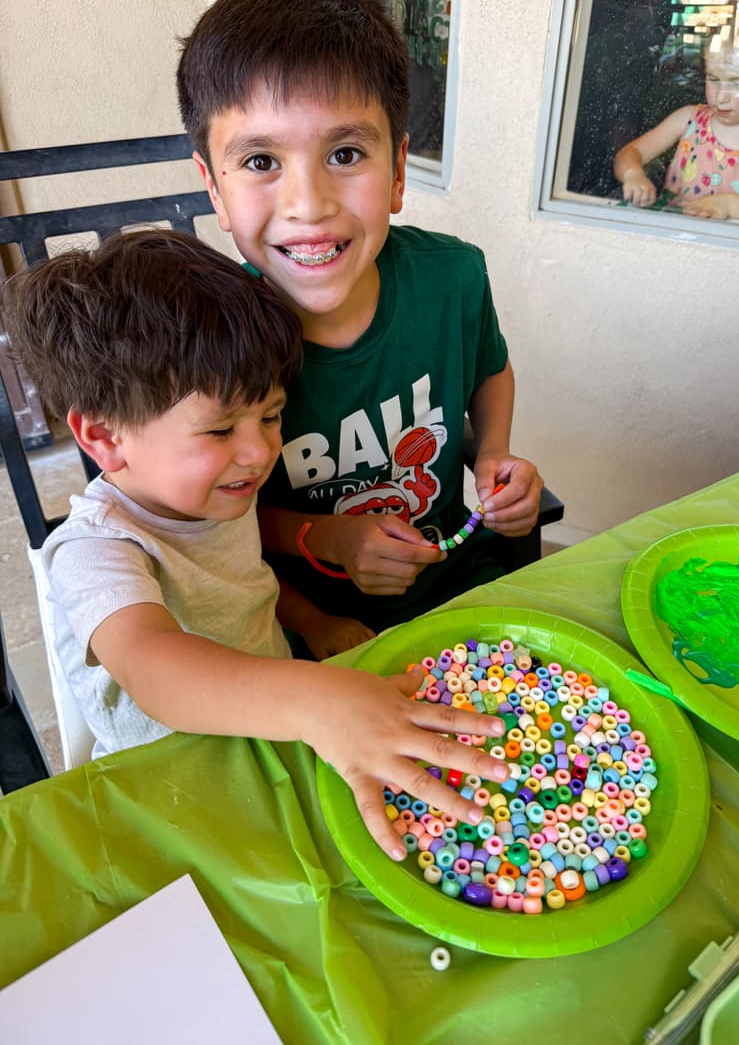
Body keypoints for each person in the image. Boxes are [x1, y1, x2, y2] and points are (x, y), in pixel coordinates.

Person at [2, 228, 509, 859]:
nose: (259, 452)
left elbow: (247, 589)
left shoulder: (218, 491)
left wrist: (314, 621)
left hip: (272, 740)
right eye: (219, 429)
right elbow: (155, 668)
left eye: (269, 417)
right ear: (104, 436)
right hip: (173, 792)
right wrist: (317, 701)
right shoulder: (97, 548)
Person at [176, 0, 544, 637]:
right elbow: (210, 523)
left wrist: (493, 453)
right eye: (260, 162)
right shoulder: (210, 346)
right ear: (213, 188)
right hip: (303, 629)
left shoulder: (453, 278)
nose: (309, 205)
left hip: (458, 591)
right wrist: (327, 555)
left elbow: (491, 368)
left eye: (345, 153)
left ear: (399, 171)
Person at [614, 40, 739, 220]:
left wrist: (727, 206)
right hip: (669, 231)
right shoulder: (690, 119)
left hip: (726, 245)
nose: (721, 97)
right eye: (713, 79)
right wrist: (633, 174)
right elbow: (632, 152)